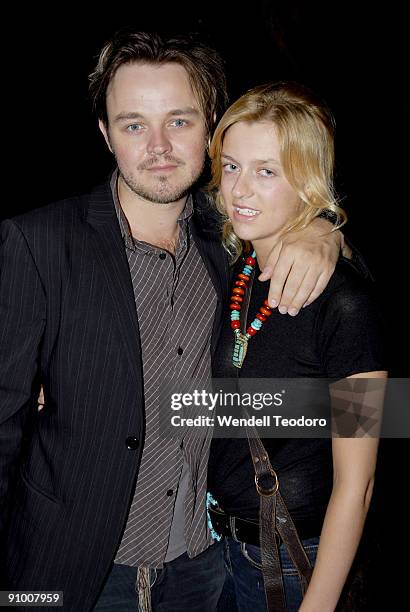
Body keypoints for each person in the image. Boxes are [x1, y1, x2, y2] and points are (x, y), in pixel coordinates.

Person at [0, 31, 343, 612]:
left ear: (211, 125)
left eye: (179, 121)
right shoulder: (38, 243)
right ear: (106, 135)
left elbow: (360, 398)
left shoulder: (236, 238)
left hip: (202, 569)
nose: (158, 146)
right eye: (134, 124)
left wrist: (323, 231)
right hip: (66, 571)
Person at [206, 82, 387, 611]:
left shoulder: (347, 304)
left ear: (307, 181)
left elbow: (360, 483)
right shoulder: (239, 268)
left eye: (267, 171)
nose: (240, 189)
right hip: (224, 550)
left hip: (294, 561)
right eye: (232, 166)